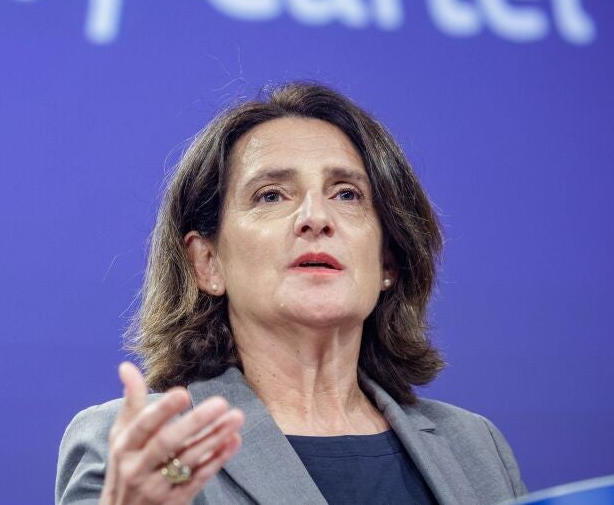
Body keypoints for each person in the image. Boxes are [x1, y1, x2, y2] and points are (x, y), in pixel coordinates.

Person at [56, 82, 528, 504]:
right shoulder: (140, 447)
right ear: (208, 263)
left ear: (387, 261)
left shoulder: (475, 448)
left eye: (346, 194)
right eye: (271, 195)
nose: (315, 217)